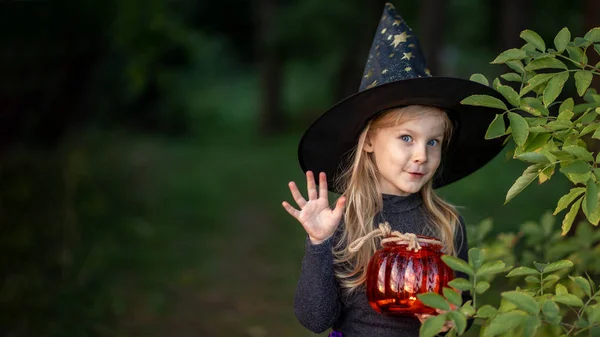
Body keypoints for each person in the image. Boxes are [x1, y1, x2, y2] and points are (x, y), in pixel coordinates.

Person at [282, 3, 506, 337]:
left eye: (433, 142)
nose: (421, 155)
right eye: (406, 137)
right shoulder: (344, 222)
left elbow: (463, 310)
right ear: (369, 140)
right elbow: (316, 319)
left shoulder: (445, 224)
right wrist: (319, 243)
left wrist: (451, 320)